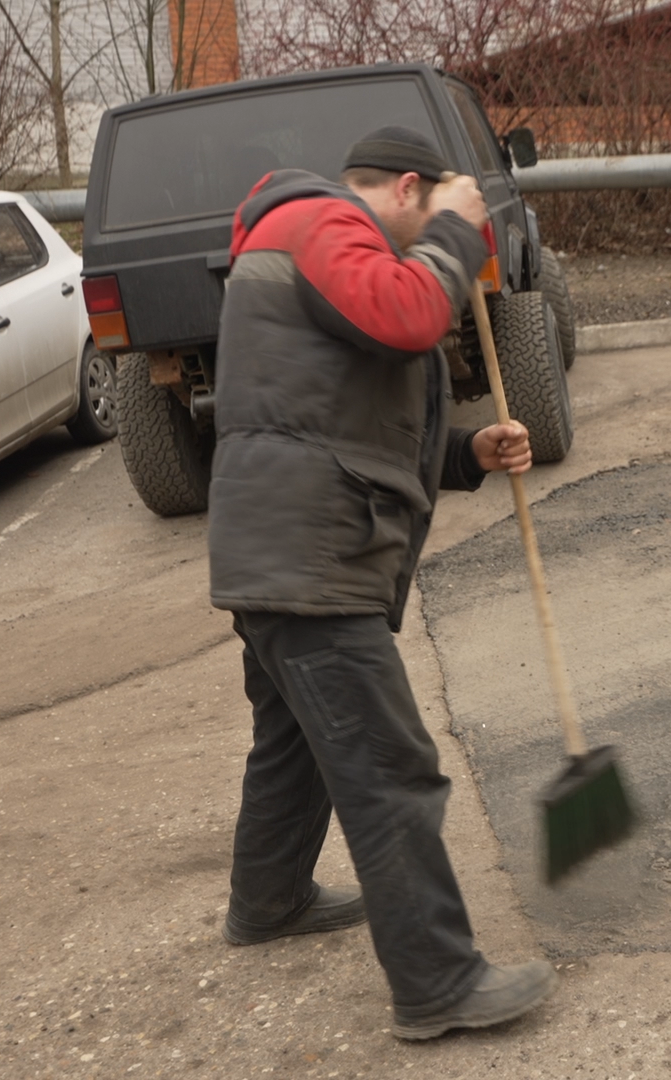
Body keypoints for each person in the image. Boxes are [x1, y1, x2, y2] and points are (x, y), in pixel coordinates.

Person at [205, 126, 554, 1040]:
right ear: (408, 189)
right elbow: (404, 316)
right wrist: (454, 234)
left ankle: (268, 900)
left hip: (282, 549)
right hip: (310, 561)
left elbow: (331, 421)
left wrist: (465, 453)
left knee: (294, 743)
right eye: (427, 213)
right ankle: (437, 983)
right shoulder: (322, 222)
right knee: (388, 767)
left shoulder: (305, 239)